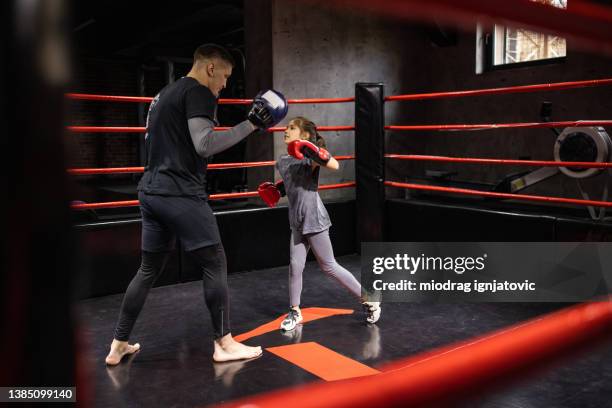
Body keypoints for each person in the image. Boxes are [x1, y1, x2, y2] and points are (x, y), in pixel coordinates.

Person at [105, 44, 288, 365]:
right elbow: (204, 145)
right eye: (226, 77)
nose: (225, 86)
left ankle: (118, 343)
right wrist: (251, 125)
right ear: (211, 68)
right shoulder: (200, 92)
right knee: (215, 261)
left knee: (148, 269)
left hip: (150, 191)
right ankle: (224, 343)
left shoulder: (164, 94)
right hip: (180, 193)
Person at [258, 117, 381, 331]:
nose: (286, 130)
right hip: (296, 220)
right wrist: (278, 189)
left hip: (314, 218)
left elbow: (334, 164)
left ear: (304, 136)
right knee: (295, 266)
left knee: (329, 266)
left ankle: (369, 297)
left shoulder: (310, 160)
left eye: (292, 128)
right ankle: (295, 311)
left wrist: (313, 151)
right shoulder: (283, 160)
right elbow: (293, 183)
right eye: (286, 127)